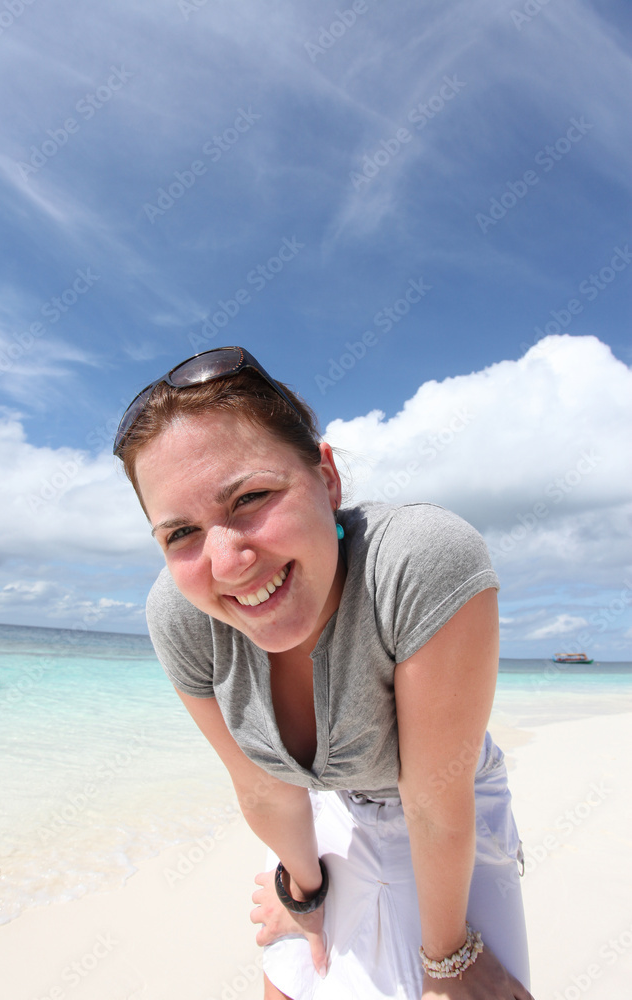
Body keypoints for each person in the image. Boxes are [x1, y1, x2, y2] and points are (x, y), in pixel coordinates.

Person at [114, 345, 534, 999]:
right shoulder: (181, 615)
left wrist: (447, 959)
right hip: (321, 804)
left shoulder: (417, 562)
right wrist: (302, 893)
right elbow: (262, 789)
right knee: (287, 983)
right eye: (180, 533)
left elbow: (431, 797)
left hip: (442, 801)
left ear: (327, 478)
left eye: (250, 497)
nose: (227, 563)